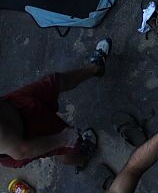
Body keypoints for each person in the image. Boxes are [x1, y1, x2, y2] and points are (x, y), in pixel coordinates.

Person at [0, 38, 111, 169]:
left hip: (12, 105)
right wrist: (62, 139)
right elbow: (21, 151)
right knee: (68, 147)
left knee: (55, 81)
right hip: (25, 137)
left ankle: (96, 68)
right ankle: (83, 157)